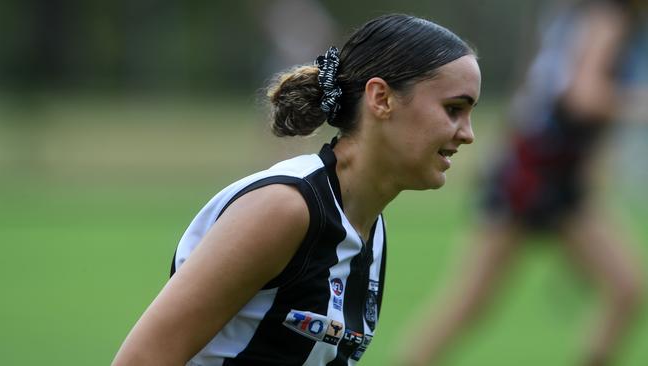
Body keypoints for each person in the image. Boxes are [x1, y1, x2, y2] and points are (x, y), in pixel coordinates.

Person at [112, 13, 481, 365]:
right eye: (453, 109)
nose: (467, 134)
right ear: (381, 98)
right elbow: (141, 359)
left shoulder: (369, 227)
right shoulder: (285, 208)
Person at [401, 1, 646, 365]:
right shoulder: (606, 18)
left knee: (626, 288)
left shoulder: (589, 18)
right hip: (533, 174)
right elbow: (583, 96)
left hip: (559, 177)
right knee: (471, 301)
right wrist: (639, 103)